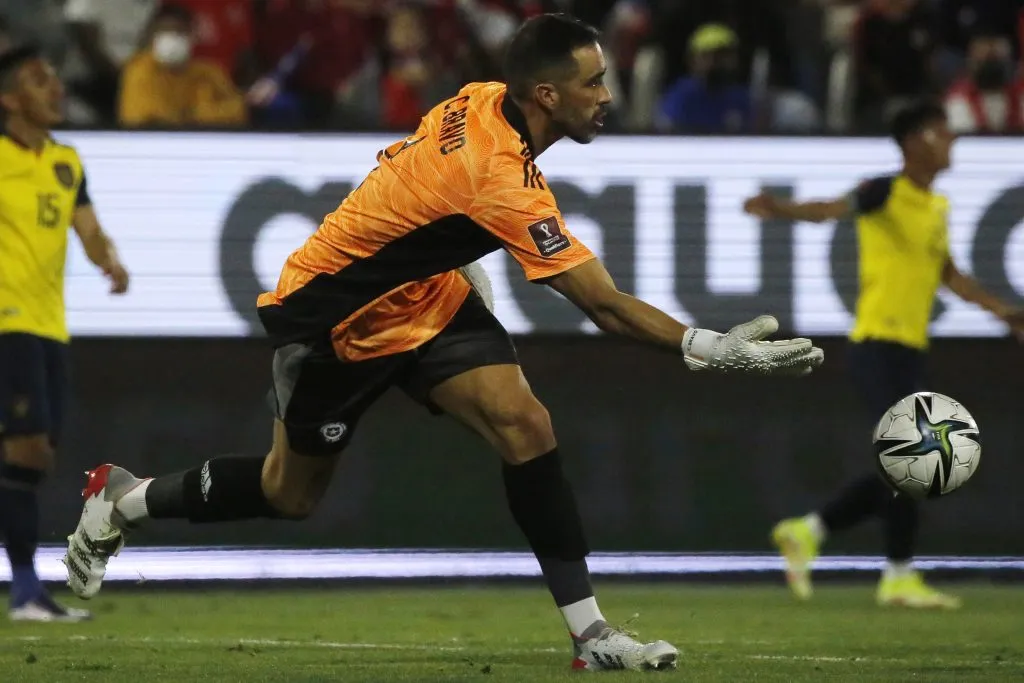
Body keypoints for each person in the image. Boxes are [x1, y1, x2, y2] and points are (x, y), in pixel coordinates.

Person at [64, 14, 821, 668]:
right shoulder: (500, 177)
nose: (607, 97)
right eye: (592, 83)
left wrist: (451, 254)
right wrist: (711, 347)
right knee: (287, 493)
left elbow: (424, 179)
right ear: (547, 96)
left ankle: (590, 633)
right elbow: (605, 306)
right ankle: (123, 499)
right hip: (336, 319)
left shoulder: (488, 97)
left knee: (528, 425)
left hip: (428, 295)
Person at [744, 101, 1024, 609]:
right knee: (916, 456)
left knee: (916, 462)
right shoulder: (884, 191)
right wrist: (781, 209)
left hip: (909, 349)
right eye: (944, 133)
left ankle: (867, 561)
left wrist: (1004, 312)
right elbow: (833, 209)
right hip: (875, 345)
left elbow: (951, 277)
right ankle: (838, 546)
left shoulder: (936, 207)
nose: (953, 142)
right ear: (916, 140)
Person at [0, 44, 130, 622]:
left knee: (37, 458)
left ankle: (27, 590)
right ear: (8, 99)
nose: (54, 88)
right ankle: (25, 590)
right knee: (25, 450)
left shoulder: (66, 161)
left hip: (50, 326)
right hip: (6, 323)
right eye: (37, 80)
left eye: (55, 77)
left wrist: (110, 261)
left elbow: (88, 227)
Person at [118, 3, 247, 129]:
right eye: (165, 31)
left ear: (192, 35)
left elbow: (238, 110)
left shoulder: (209, 72)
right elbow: (147, 120)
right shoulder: (139, 70)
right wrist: (197, 115)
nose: (172, 37)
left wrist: (192, 115)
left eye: (179, 31)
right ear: (152, 36)